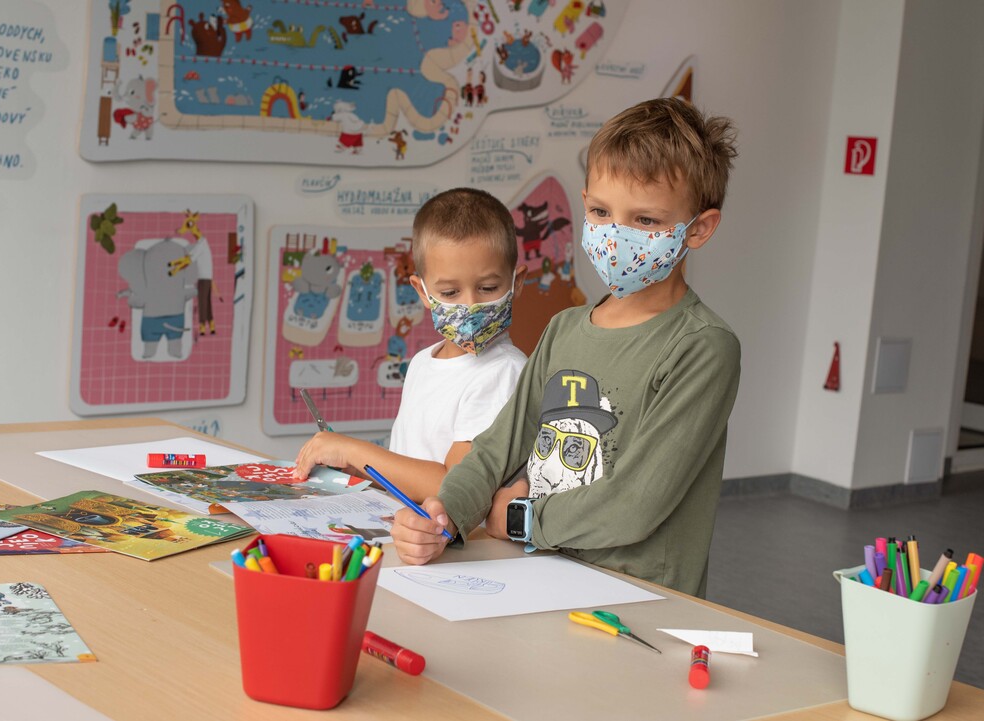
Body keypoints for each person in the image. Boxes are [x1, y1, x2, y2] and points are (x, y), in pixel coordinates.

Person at [391, 98, 741, 598]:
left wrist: (520, 519)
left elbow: (635, 503)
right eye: (600, 211)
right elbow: (496, 450)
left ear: (699, 228)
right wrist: (442, 518)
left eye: (645, 220)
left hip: (637, 599)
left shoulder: (703, 348)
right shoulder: (564, 329)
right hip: (540, 575)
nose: (616, 235)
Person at [294, 187, 529, 502]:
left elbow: (454, 486)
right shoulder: (422, 362)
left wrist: (352, 451)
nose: (470, 305)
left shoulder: (504, 372)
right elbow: (406, 474)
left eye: (487, 288)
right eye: (450, 293)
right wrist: (354, 467)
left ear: (516, 283)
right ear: (422, 292)